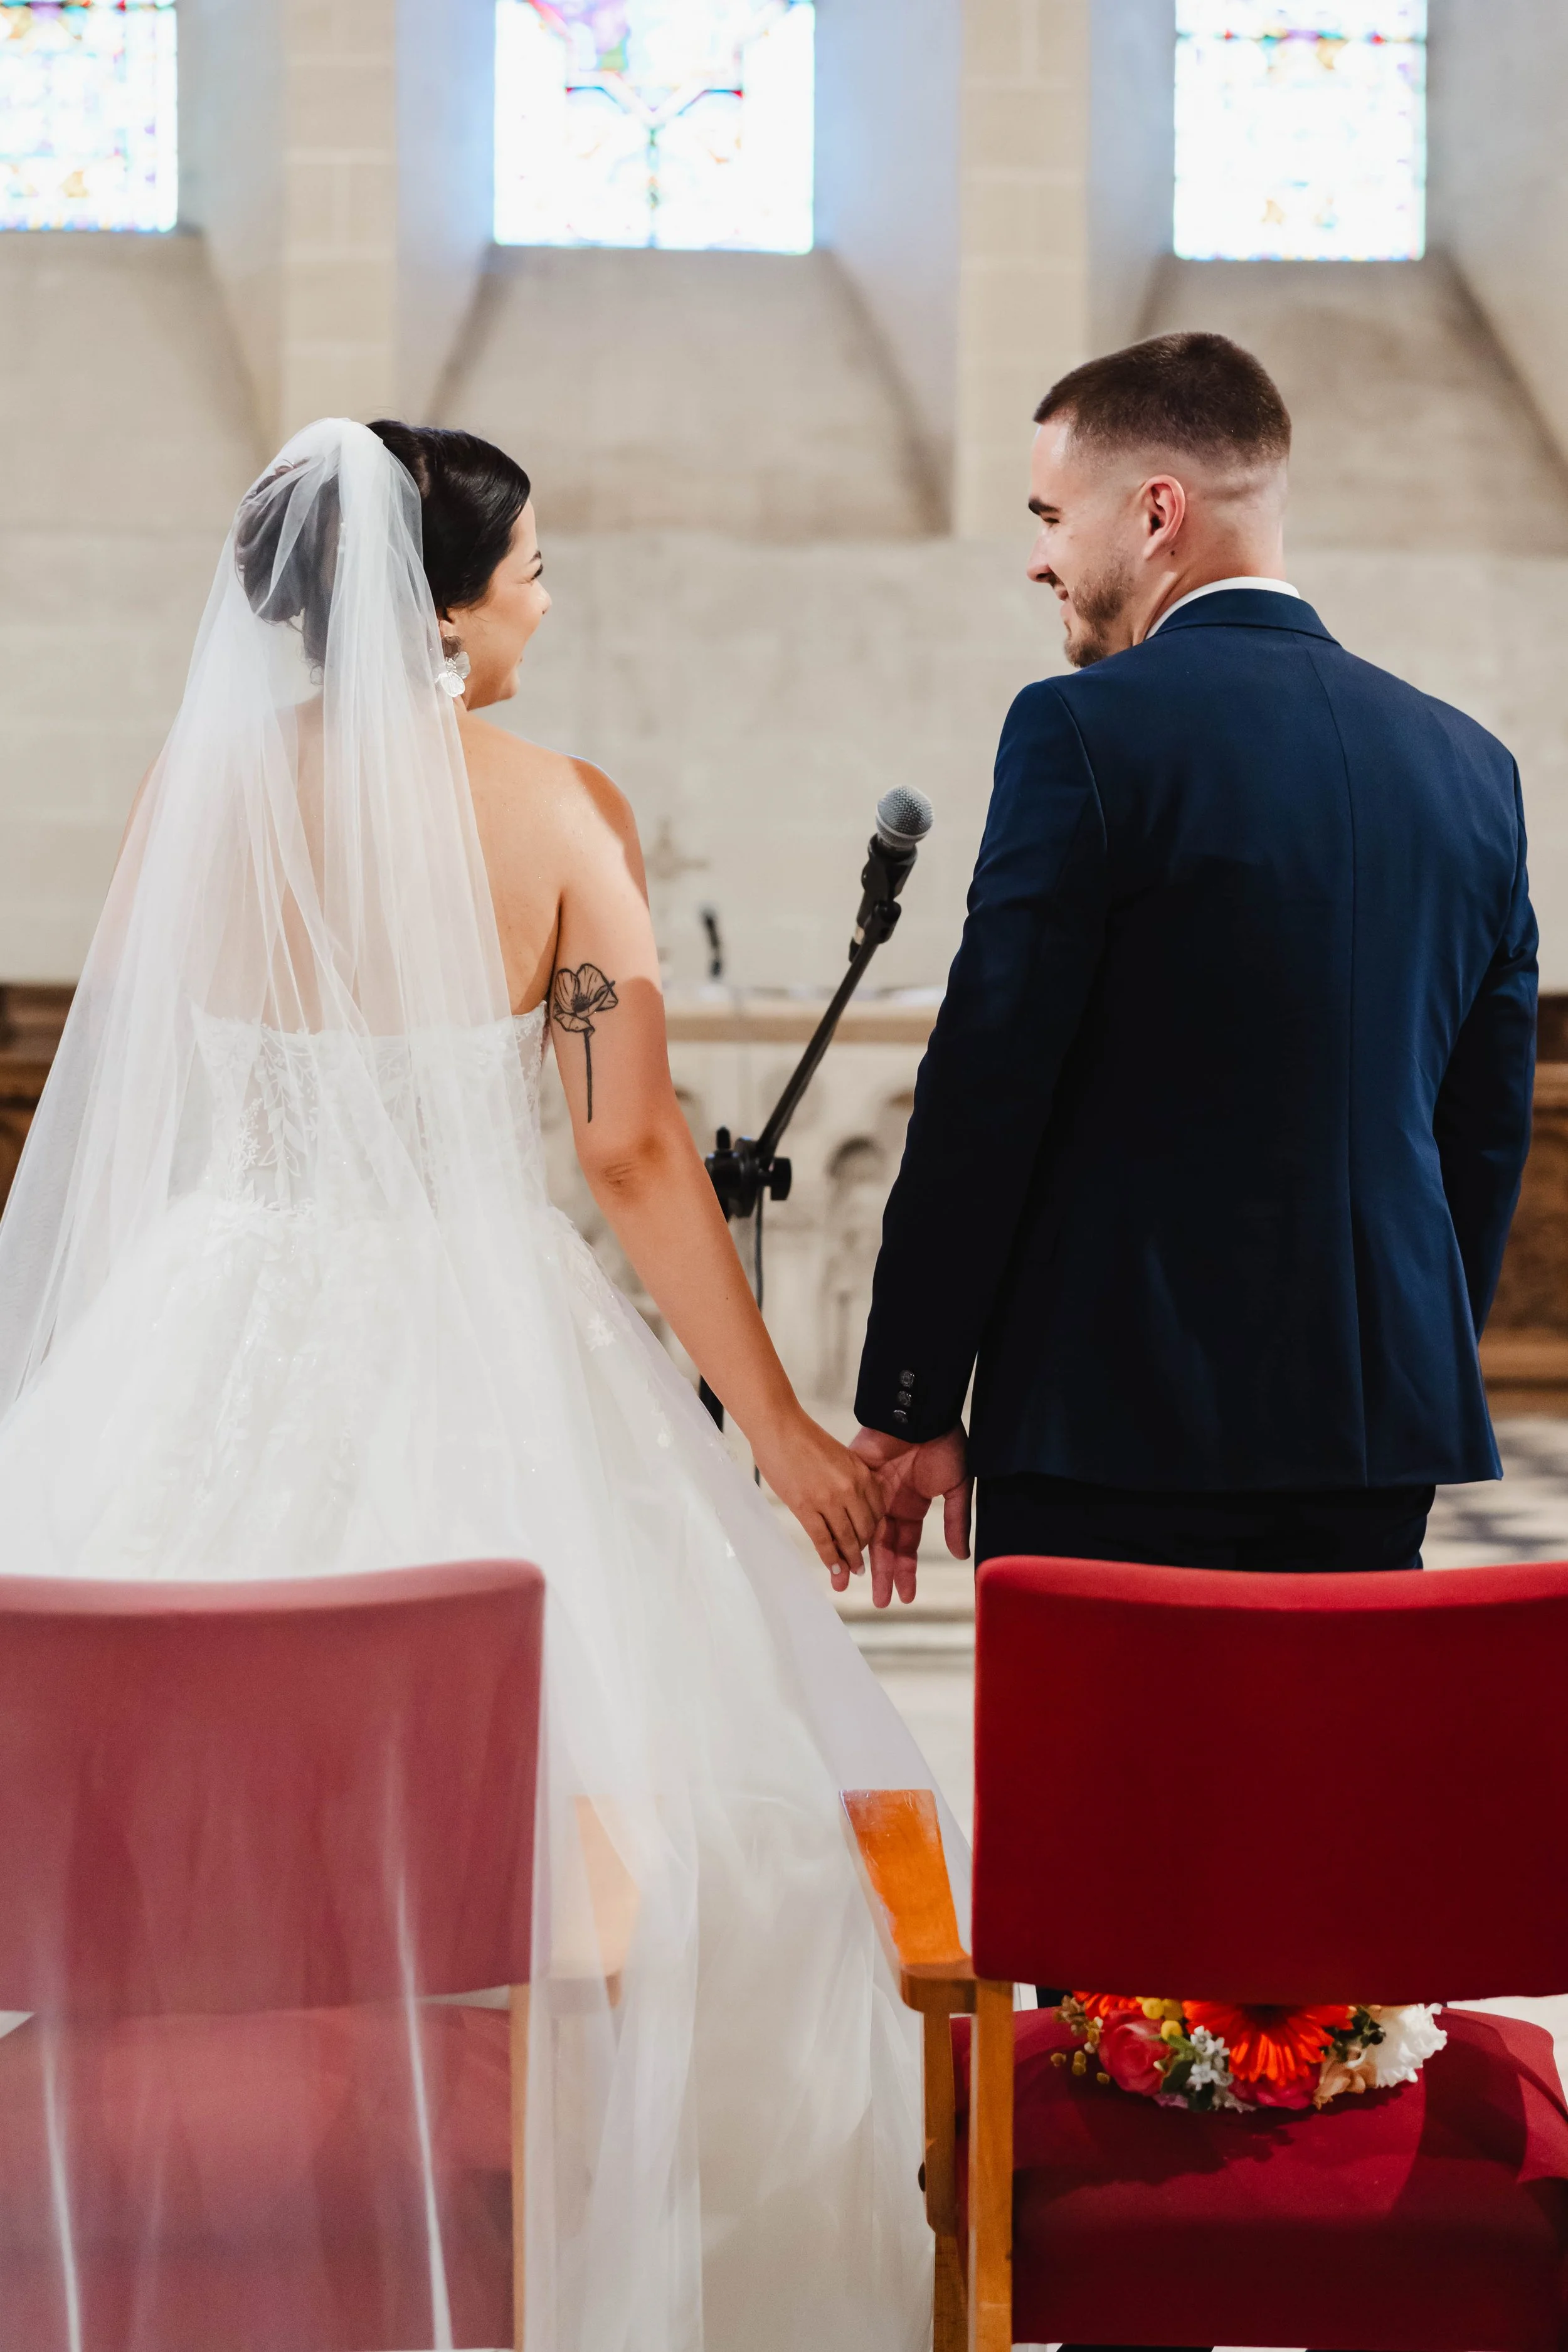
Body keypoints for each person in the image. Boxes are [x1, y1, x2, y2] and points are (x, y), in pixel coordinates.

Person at [0, 419, 946, 2351]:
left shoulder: (200, 793)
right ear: (437, 608)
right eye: (528, 567)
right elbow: (627, 1153)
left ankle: (192, 2234)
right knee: (611, 1841)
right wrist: (775, 1430)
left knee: (167, 1805)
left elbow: (144, 1091)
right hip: (474, 1335)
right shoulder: (556, 812)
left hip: (214, 1305)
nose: (545, 592)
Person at [851, 329, 1537, 1600]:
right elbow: (1480, 1129)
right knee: (1327, 1792)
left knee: (1101, 1802)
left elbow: (988, 1083)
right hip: (1372, 1427)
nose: (1037, 556)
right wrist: (1400, 1350)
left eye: (1052, 514)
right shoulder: (1467, 768)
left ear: (1156, 512)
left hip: (1106, 1422)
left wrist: (909, 1396)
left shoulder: (1080, 729)